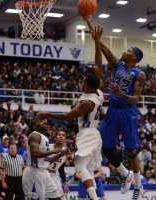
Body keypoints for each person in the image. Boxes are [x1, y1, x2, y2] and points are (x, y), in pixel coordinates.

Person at [35, 25, 105, 200]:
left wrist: (47, 114)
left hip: (87, 133)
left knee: (80, 168)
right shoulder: (99, 91)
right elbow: (98, 65)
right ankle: (93, 197)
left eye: (83, 81)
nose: (81, 82)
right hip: (94, 133)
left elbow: (67, 116)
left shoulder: (88, 102)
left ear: (87, 86)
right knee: (88, 170)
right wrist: (97, 43)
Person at [84, 15, 145, 199]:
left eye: (128, 50)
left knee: (131, 150)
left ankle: (138, 186)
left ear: (134, 56)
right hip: (113, 111)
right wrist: (89, 23)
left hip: (129, 112)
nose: (124, 52)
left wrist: (121, 95)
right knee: (105, 147)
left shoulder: (139, 73)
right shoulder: (118, 64)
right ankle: (125, 174)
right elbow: (103, 48)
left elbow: (135, 98)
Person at [22, 119, 70, 200]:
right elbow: (35, 153)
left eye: (45, 122)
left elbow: (46, 161)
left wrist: (60, 154)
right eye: (41, 121)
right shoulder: (34, 135)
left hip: (44, 172)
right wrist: (53, 151)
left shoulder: (44, 138)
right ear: (34, 126)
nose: (45, 123)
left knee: (57, 198)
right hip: (35, 172)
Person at [47, 131, 70, 200]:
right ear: (55, 138)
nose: (61, 136)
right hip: (44, 173)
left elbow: (61, 169)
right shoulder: (48, 147)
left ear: (65, 139)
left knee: (61, 198)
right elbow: (45, 162)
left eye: (63, 135)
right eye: (59, 135)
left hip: (54, 175)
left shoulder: (66, 152)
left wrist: (65, 184)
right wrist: (60, 154)